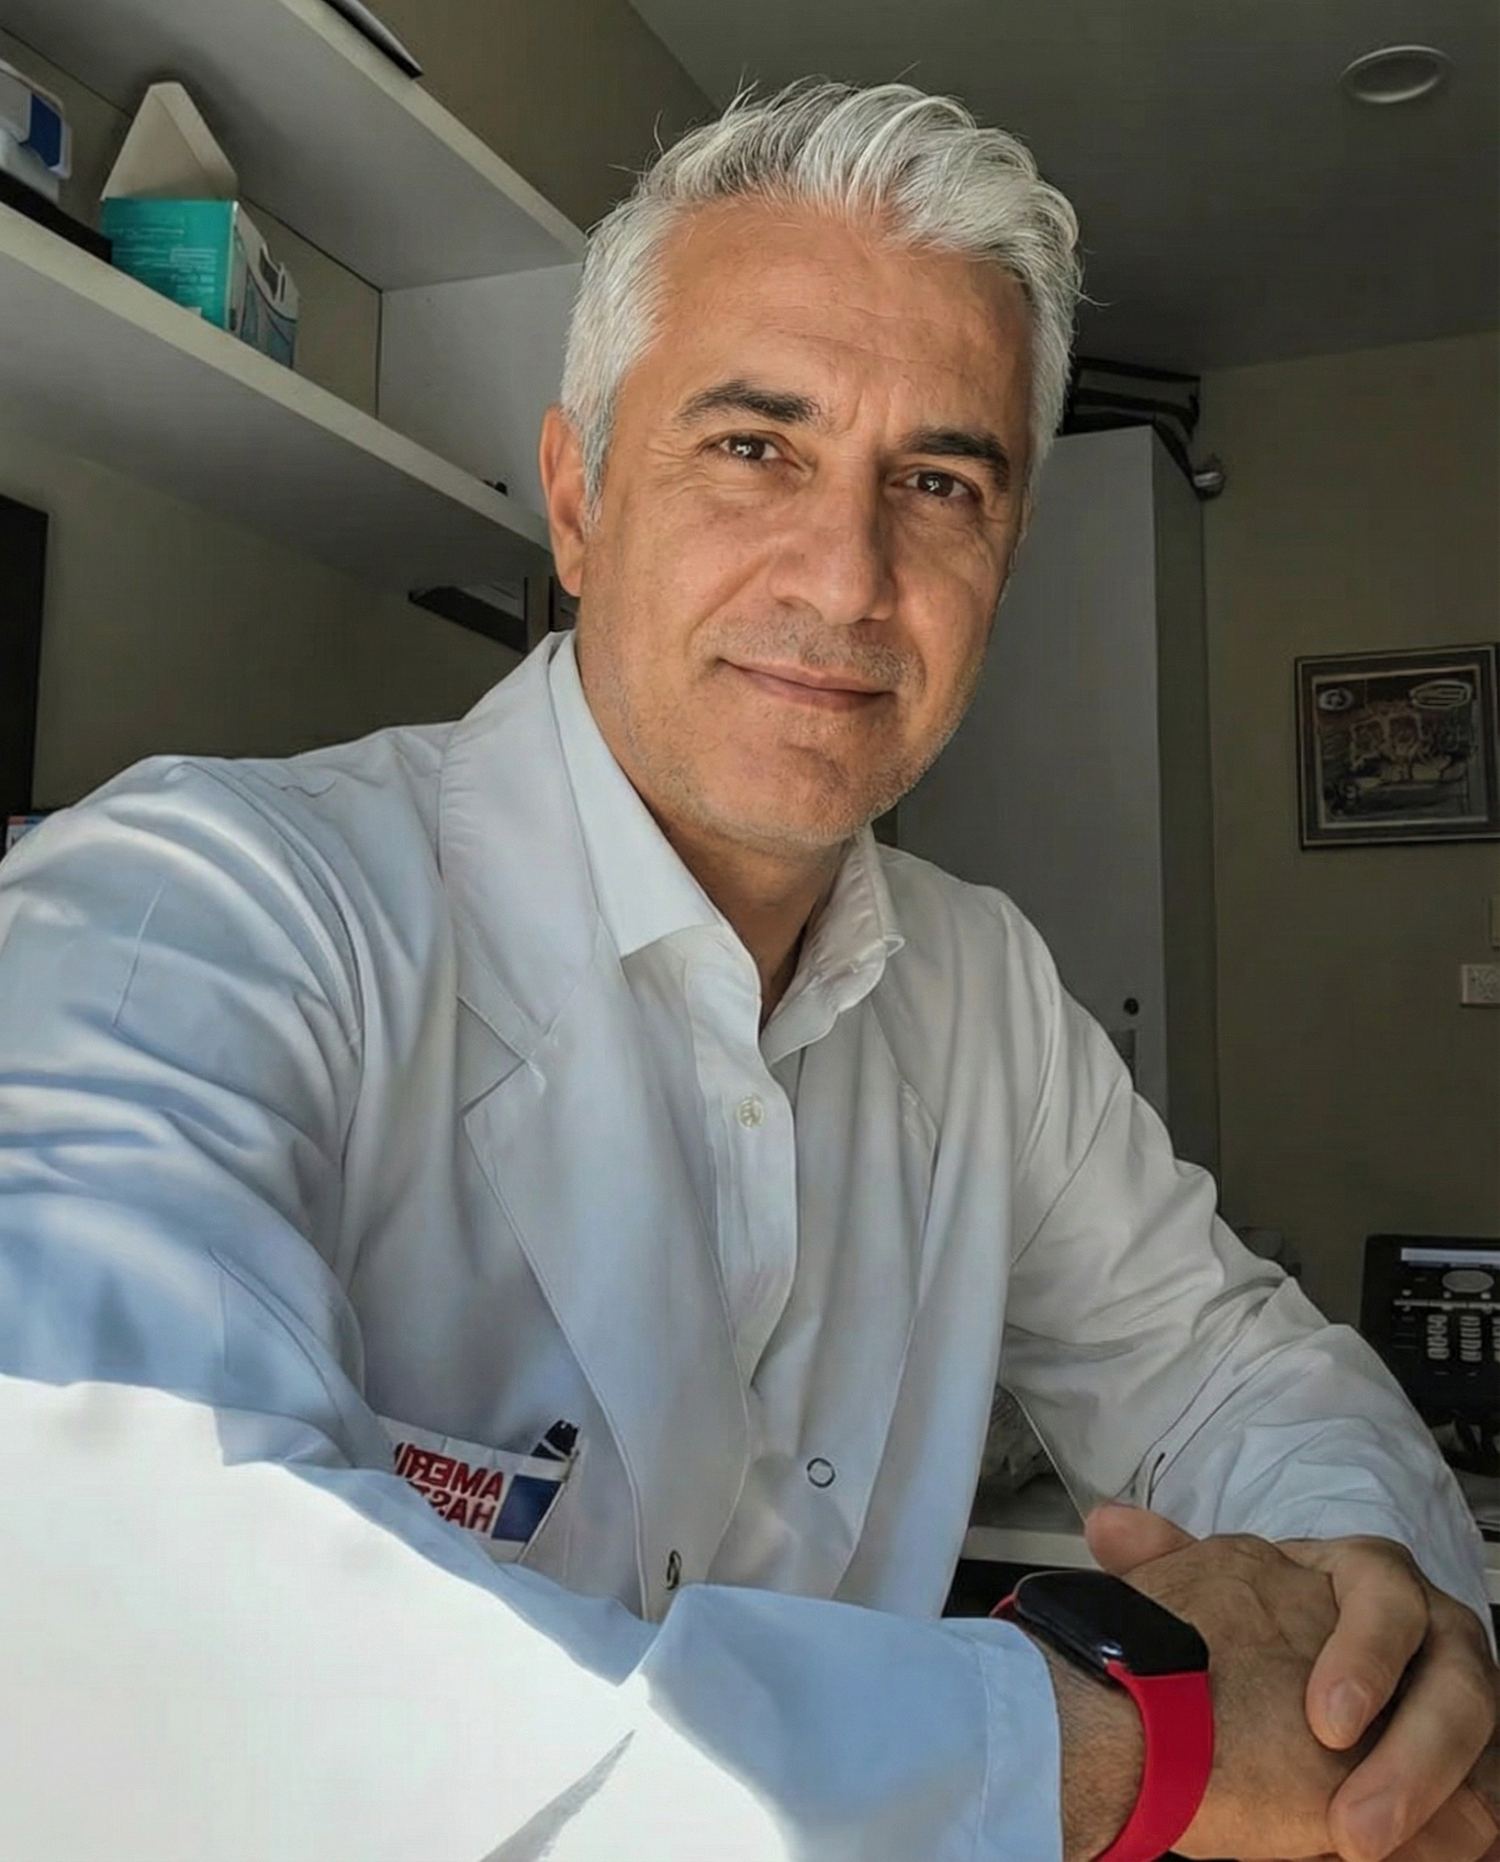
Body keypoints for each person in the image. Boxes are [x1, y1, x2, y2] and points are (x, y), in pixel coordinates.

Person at [0, 81, 1494, 1862]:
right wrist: (1110, 1740)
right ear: (578, 500)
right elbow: (118, 1627)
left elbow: (1232, 1367)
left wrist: (1358, 1622)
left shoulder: (981, 992)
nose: (848, 576)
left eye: (937, 483)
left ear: (1003, 564)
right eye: (753, 447)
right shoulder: (200, 903)